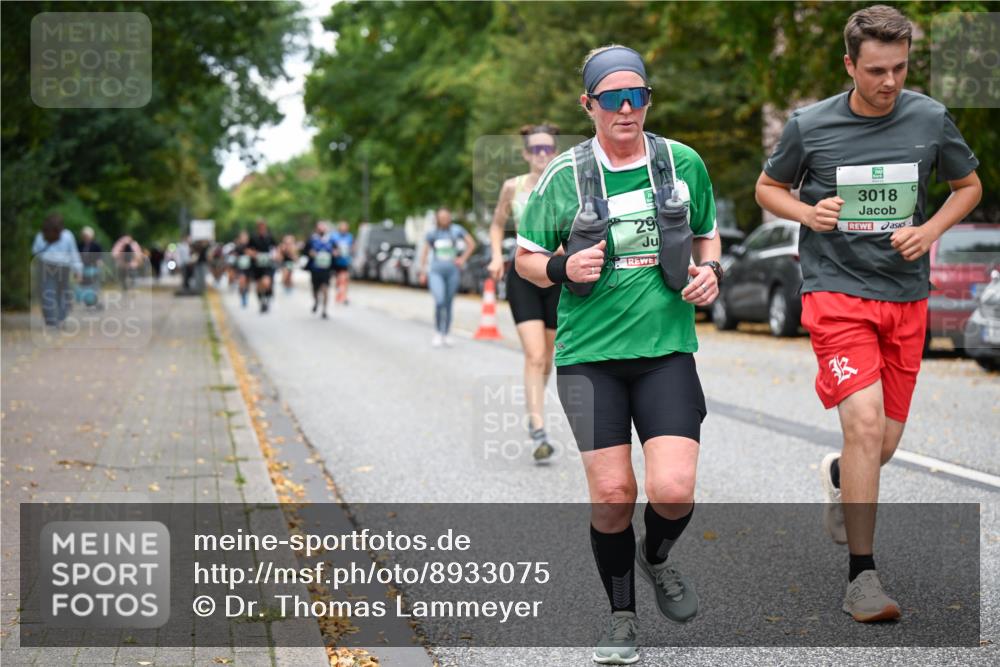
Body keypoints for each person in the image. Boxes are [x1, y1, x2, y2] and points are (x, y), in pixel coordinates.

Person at [754, 5, 982, 624]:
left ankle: (840, 474)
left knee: (882, 442)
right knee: (862, 424)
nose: (890, 82)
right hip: (836, 292)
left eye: (900, 68)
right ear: (850, 65)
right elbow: (767, 188)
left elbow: (968, 188)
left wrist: (929, 231)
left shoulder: (929, 118)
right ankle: (862, 578)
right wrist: (808, 213)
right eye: (877, 70)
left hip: (905, 296)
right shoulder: (810, 125)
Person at [515, 45, 722, 664]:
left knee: (673, 490)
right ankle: (622, 617)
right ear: (590, 105)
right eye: (613, 98)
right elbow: (524, 259)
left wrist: (711, 271)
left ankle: (655, 556)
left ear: (647, 100)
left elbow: (707, 234)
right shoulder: (564, 176)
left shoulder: (681, 164)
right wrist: (562, 266)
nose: (626, 109)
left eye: (637, 96)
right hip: (589, 356)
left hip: (665, 352)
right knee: (612, 495)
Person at [488, 123, 563, 462]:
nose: (541, 155)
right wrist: (495, 256)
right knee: (534, 355)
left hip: (557, 277)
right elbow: (496, 225)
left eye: (547, 149)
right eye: (535, 149)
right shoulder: (512, 187)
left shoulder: (565, 186)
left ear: (555, 152)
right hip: (523, 276)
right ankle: (538, 427)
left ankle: (535, 408)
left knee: (547, 357)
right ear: (526, 154)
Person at [418, 208, 476, 348]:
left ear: (450, 217)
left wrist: (462, 259)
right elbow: (425, 252)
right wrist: (423, 271)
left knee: (449, 302)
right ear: (437, 218)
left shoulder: (457, 230)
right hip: (436, 272)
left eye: (446, 216)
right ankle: (438, 331)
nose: (444, 219)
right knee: (440, 301)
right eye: (441, 217)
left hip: (452, 271)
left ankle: (446, 333)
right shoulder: (432, 233)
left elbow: (471, 244)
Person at [32, 213, 83, 328]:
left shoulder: (41, 235)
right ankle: (61, 318)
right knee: (63, 293)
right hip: (63, 266)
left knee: (47, 293)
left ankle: (51, 321)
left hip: (45, 265)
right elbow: (73, 253)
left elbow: (35, 251)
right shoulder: (67, 235)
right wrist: (78, 270)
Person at [305, 221, 336, 319]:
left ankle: (324, 310)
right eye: (320, 228)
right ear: (317, 229)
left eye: (323, 228)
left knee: (325, 288)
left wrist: (335, 253)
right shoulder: (312, 239)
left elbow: (336, 250)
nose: (322, 230)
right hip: (315, 269)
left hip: (326, 269)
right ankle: (316, 301)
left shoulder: (331, 239)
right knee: (315, 289)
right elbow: (305, 250)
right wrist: (310, 253)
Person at [247, 219, 278, 313]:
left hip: (268, 264)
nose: (262, 228)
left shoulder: (270, 237)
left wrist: (274, 255)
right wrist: (255, 254)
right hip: (256, 265)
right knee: (259, 285)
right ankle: (261, 302)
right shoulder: (253, 237)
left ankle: (267, 299)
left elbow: (275, 248)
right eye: (260, 226)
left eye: (263, 226)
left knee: (266, 282)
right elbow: (247, 250)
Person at [77, 226, 103, 308]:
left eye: (87, 236)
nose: (86, 238)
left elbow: (99, 257)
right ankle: (88, 301)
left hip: (93, 268)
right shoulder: (80, 245)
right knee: (85, 285)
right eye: (84, 236)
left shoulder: (96, 245)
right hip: (83, 268)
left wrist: (99, 262)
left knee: (93, 285)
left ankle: (94, 301)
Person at [331, 221, 354, 305]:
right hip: (337, 262)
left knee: (345, 279)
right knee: (339, 280)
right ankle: (338, 295)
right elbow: (331, 247)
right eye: (342, 227)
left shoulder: (350, 236)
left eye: (345, 227)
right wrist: (334, 252)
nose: (344, 229)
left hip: (346, 261)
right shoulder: (334, 236)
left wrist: (352, 251)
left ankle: (344, 297)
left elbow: (352, 247)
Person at [232, 231, 252, 308]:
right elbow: (235, 257)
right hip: (240, 267)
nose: (244, 239)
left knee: (247, 283)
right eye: (242, 237)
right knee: (242, 281)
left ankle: (246, 294)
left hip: (249, 268)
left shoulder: (250, 246)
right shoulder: (237, 247)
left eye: (245, 237)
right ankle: (243, 296)